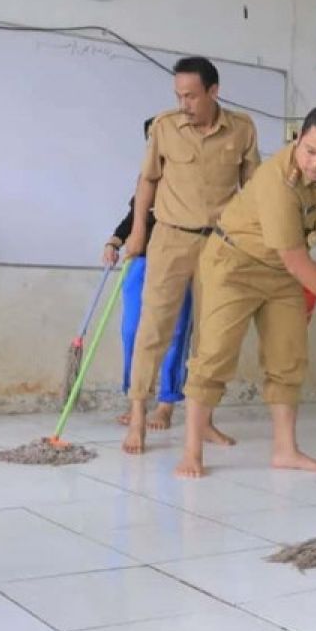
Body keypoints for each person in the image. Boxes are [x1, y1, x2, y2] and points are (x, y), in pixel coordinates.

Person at [175, 106, 316, 478]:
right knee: (213, 356)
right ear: (298, 139)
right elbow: (296, 259)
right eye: (309, 151)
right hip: (235, 265)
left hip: (280, 274)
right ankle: (191, 452)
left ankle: (285, 450)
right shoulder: (277, 181)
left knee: (288, 358)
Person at [122, 57, 259, 454]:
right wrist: (136, 233)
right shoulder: (165, 127)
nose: (184, 103)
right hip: (169, 238)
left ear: (214, 91)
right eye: (179, 95)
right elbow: (147, 181)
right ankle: (137, 419)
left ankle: (205, 421)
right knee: (153, 330)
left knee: (210, 335)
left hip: (219, 243)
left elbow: (252, 191)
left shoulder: (242, 129)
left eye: (192, 95)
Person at [104, 118, 193, 431]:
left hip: (178, 263)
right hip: (142, 262)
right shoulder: (147, 178)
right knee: (132, 331)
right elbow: (134, 216)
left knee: (176, 333)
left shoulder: (191, 179)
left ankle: (167, 404)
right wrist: (115, 240)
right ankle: (137, 398)